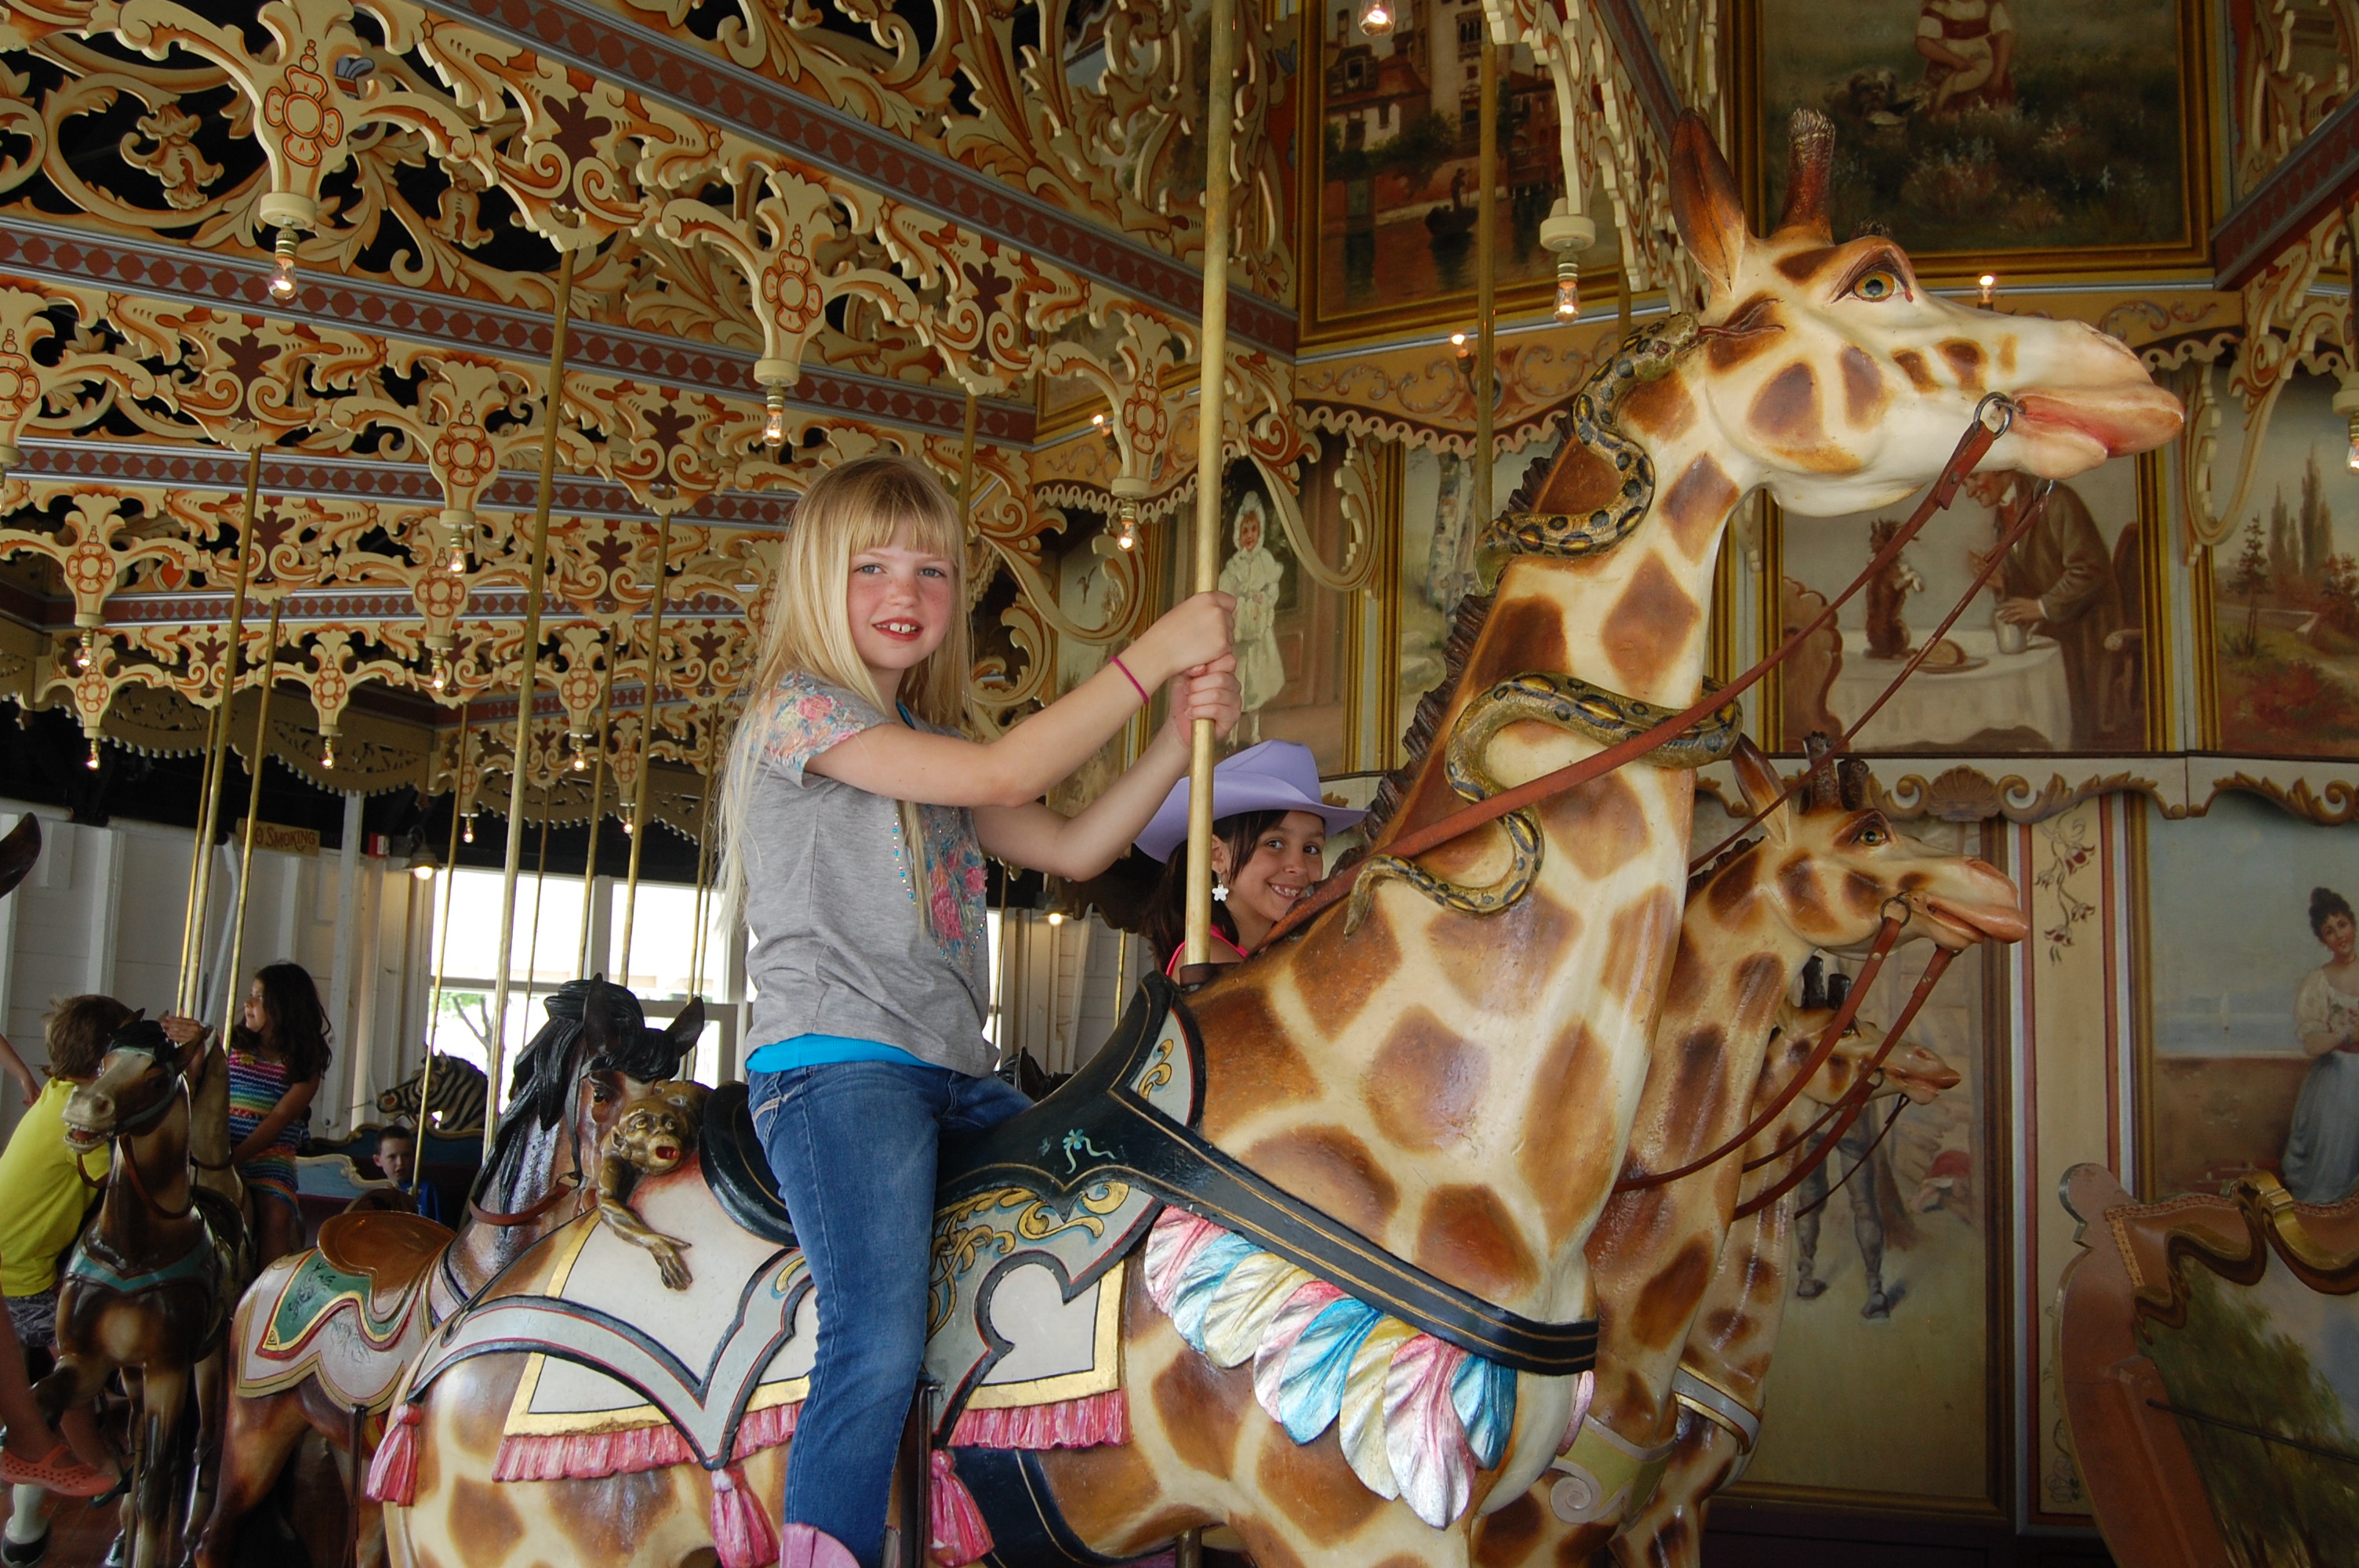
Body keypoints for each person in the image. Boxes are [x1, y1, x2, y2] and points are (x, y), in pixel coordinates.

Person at [717, 453, 1238, 1567]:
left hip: (952, 1069)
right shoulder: (799, 716)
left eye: (933, 572)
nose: (906, 593)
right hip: (837, 1067)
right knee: (877, 1328)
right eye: (872, 569)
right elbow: (1010, 779)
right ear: (817, 580)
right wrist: (1153, 659)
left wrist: (1172, 742)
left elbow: (1072, 845)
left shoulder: (940, 749)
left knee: (1108, 1220)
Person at [0, 997, 129, 1524]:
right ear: (103, 1065)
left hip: (18, 1257)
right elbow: (119, 1182)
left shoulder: (57, 1093)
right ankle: (99, 1467)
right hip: (18, 1269)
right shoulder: (79, 1121)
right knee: (72, 1362)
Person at [1134, 740, 1365, 974]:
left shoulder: (1273, 955)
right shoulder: (1208, 959)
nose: (1299, 866)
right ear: (1217, 855)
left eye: (1311, 849)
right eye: (1274, 844)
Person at [1966, 474, 2121, 749]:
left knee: (2076, 736)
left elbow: (2090, 570)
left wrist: (2041, 607)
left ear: (2002, 468)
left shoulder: (2057, 501)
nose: (1968, 492)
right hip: (2058, 635)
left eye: (1975, 478)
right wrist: (2005, 582)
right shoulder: (2004, 514)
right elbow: (2038, 580)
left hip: (2089, 637)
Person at [226, 963, 332, 1267]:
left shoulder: (303, 1064)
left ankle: (266, 1291)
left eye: (259, 998)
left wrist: (239, 1156)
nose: (248, 1003)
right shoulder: (232, 1046)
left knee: (275, 1216)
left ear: (283, 1007)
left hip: (268, 1156)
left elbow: (279, 1118)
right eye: (250, 995)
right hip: (221, 1147)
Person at [2282, 887, 2359, 1204]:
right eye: (2330, 931)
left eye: (2342, 924)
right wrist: (2344, 1036)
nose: (2339, 935)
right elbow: (2312, 1043)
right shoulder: (2318, 982)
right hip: (2337, 1082)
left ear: (2353, 923)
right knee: (2332, 1170)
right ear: (2322, 940)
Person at [1217, 492, 1286, 741]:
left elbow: (1272, 589)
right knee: (1237, 680)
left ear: (1260, 532)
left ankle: (1255, 731)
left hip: (1257, 633)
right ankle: (1233, 733)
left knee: (1256, 682)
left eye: (1253, 530)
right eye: (1245, 531)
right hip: (1239, 631)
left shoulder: (1265, 560)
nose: (1249, 537)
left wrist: (1264, 600)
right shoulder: (1234, 565)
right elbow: (1225, 592)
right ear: (1238, 533)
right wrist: (1238, 600)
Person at [1914, 0, 2016, 114]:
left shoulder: (1990, 5)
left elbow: (2004, 37)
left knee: (1993, 106)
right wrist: (1955, 61)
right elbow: (1923, 43)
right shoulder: (1941, 5)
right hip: (1947, 64)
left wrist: (1998, 74)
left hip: (1986, 66)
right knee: (1939, 110)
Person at [371, 1127, 442, 1223]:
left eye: (406, 1155)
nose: (400, 1163)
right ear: (378, 1160)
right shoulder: (374, 1191)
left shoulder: (428, 1190)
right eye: (392, 1157)